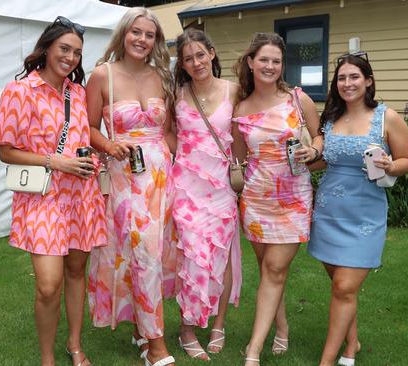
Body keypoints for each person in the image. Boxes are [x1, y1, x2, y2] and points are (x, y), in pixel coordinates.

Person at [0, 16, 106, 366]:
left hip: (80, 197)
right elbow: (6, 151)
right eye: (64, 49)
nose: (70, 57)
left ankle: (74, 345)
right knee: (47, 285)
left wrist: (92, 159)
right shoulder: (20, 91)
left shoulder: (78, 92)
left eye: (76, 52)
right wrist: (56, 162)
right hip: (42, 198)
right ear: (47, 48)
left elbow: (84, 137)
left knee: (76, 274)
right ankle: (47, 358)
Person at [307, 52, 408, 366]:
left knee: (344, 286)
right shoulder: (331, 118)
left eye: (354, 77)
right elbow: (328, 160)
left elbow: (407, 159)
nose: (347, 83)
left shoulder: (387, 117)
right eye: (341, 78)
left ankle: (326, 361)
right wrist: (302, 158)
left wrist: (390, 165)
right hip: (328, 212)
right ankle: (351, 344)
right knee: (342, 288)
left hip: (365, 215)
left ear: (368, 81)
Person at [86, 7, 177, 366]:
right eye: (135, 32)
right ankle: (157, 344)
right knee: (144, 253)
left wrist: (169, 157)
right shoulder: (101, 75)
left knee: (154, 255)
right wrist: (109, 146)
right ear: (123, 34)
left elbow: (169, 131)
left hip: (160, 177)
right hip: (124, 175)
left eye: (149, 34)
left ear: (156, 40)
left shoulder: (162, 77)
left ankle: (141, 328)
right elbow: (89, 128)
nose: (141, 39)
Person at [231, 32, 323, 366]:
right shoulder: (240, 108)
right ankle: (281, 327)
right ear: (251, 63)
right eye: (264, 60)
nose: (270, 66)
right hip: (256, 199)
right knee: (269, 270)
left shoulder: (298, 99)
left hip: (293, 198)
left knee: (274, 268)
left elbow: (319, 136)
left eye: (276, 61)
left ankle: (253, 351)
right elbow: (240, 158)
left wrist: (313, 150)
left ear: (282, 66)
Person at [170, 29, 242, 361]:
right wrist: (183, 156)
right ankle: (187, 328)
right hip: (186, 187)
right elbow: (168, 133)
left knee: (222, 256)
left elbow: (242, 133)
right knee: (194, 255)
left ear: (212, 53)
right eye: (188, 58)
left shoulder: (235, 90)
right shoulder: (176, 93)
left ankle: (218, 324)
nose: (196, 62)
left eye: (200, 54)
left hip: (222, 188)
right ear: (182, 64)